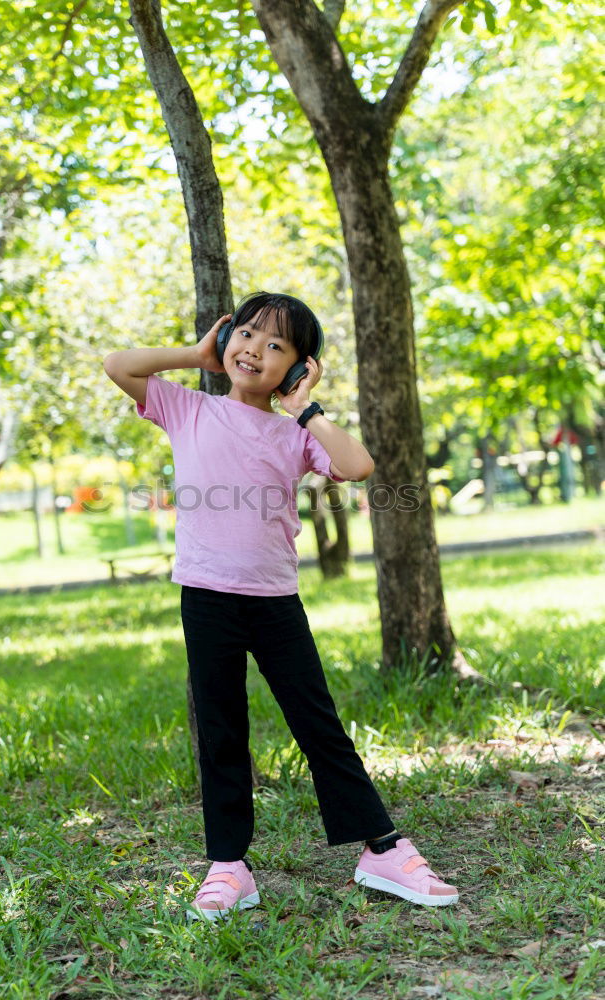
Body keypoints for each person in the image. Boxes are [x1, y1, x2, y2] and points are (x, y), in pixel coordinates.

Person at [103, 291, 458, 923]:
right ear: (226, 339)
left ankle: (380, 847)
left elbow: (358, 464)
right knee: (221, 731)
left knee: (318, 724)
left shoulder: (293, 432)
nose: (254, 352)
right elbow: (118, 365)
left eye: (277, 349)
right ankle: (229, 866)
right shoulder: (188, 408)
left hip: (274, 601)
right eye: (247, 335)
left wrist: (306, 408)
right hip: (207, 597)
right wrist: (195, 354)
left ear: (297, 368)